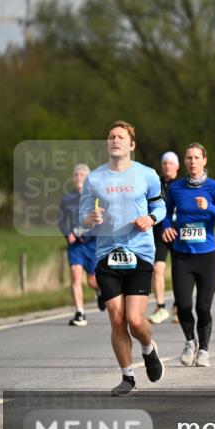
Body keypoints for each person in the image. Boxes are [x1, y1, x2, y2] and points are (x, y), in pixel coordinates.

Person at [80, 121, 165, 396]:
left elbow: (160, 206)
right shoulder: (94, 179)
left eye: (120, 137)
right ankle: (128, 377)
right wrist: (90, 218)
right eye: (111, 136)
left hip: (139, 252)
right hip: (107, 255)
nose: (115, 140)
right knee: (117, 320)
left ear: (132, 144)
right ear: (107, 144)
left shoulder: (147, 174)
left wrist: (150, 219)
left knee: (136, 320)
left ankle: (149, 349)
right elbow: (82, 217)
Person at [159, 143, 215, 368]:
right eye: (189, 158)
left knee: (203, 307)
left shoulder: (214, 188)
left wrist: (209, 207)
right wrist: (166, 227)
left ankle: (204, 350)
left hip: (207, 257)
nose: (192, 162)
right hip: (182, 256)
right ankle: (190, 342)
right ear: (185, 161)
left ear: (204, 160)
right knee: (183, 306)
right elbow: (165, 214)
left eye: (196, 158)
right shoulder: (176, 188)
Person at [59, 163, 101, 326]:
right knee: (75, 275)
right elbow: (61, 221)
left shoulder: (95, 198)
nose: (78, 178)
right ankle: (80, 313)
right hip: (75, 246)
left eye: (82, 175)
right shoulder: (67, 198)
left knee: (92, 280)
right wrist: (67, 233)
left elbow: (102, 220)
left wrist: (89, 232)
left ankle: (98, 291)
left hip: (92, 244)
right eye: (76, 175)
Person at [148, 152, 179, 324]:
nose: (167, 166)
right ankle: (160, 307)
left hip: (178, 233)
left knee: (179, 271)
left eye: (171, 163)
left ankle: (178, 306)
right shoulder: (155, 184)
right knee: (157, 269)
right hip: (159, 232)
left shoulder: (182, 184)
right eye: (165, 163)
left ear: (177, 166)